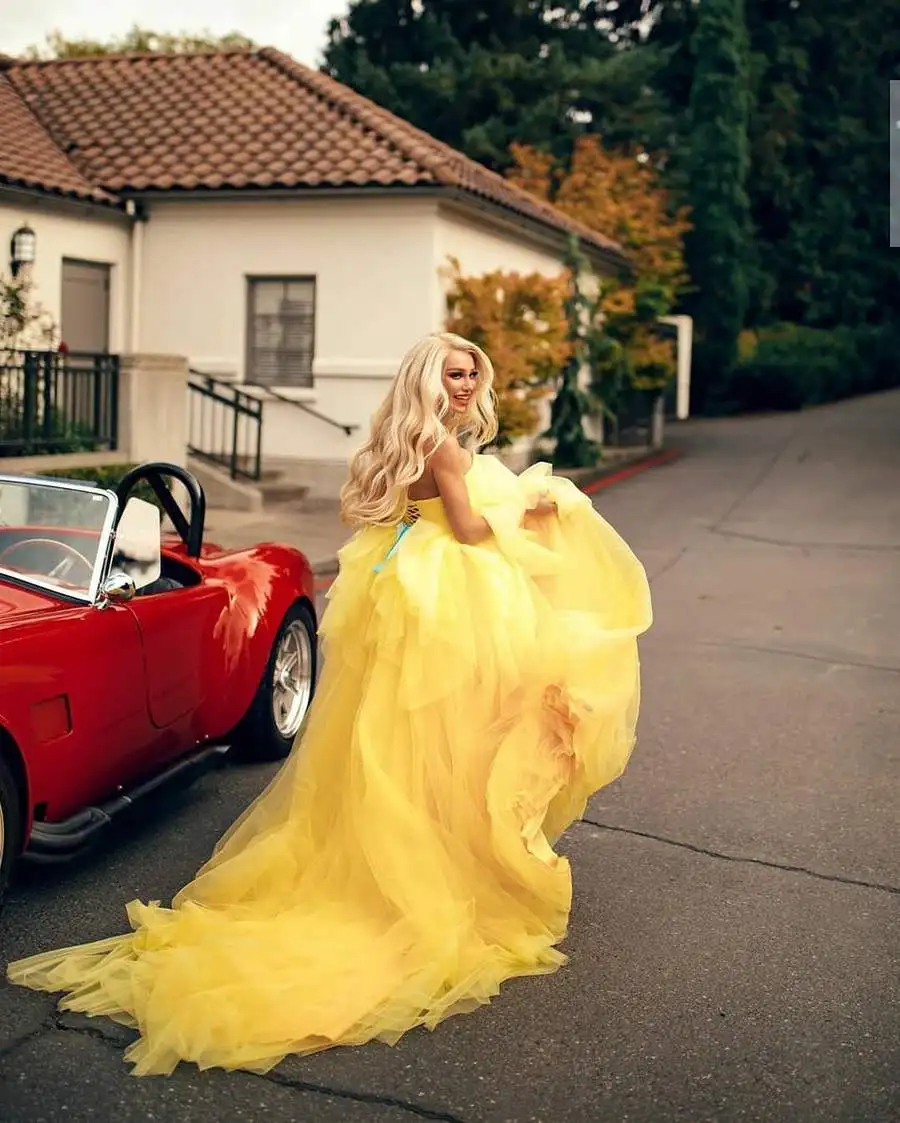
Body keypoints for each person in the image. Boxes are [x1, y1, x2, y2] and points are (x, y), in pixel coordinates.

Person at [7, 332, 652, 1076]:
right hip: (452, 592)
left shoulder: (405, 439)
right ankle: (446, 863)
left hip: (410, 585)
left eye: (475, 370)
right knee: (463, 724)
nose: (470, 381)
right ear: (428, 378)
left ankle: (417, 845)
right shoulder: (442, 445)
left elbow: (410, 514)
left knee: (395, 732)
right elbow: (471, 527)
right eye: (455, 371)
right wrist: (539, 511)